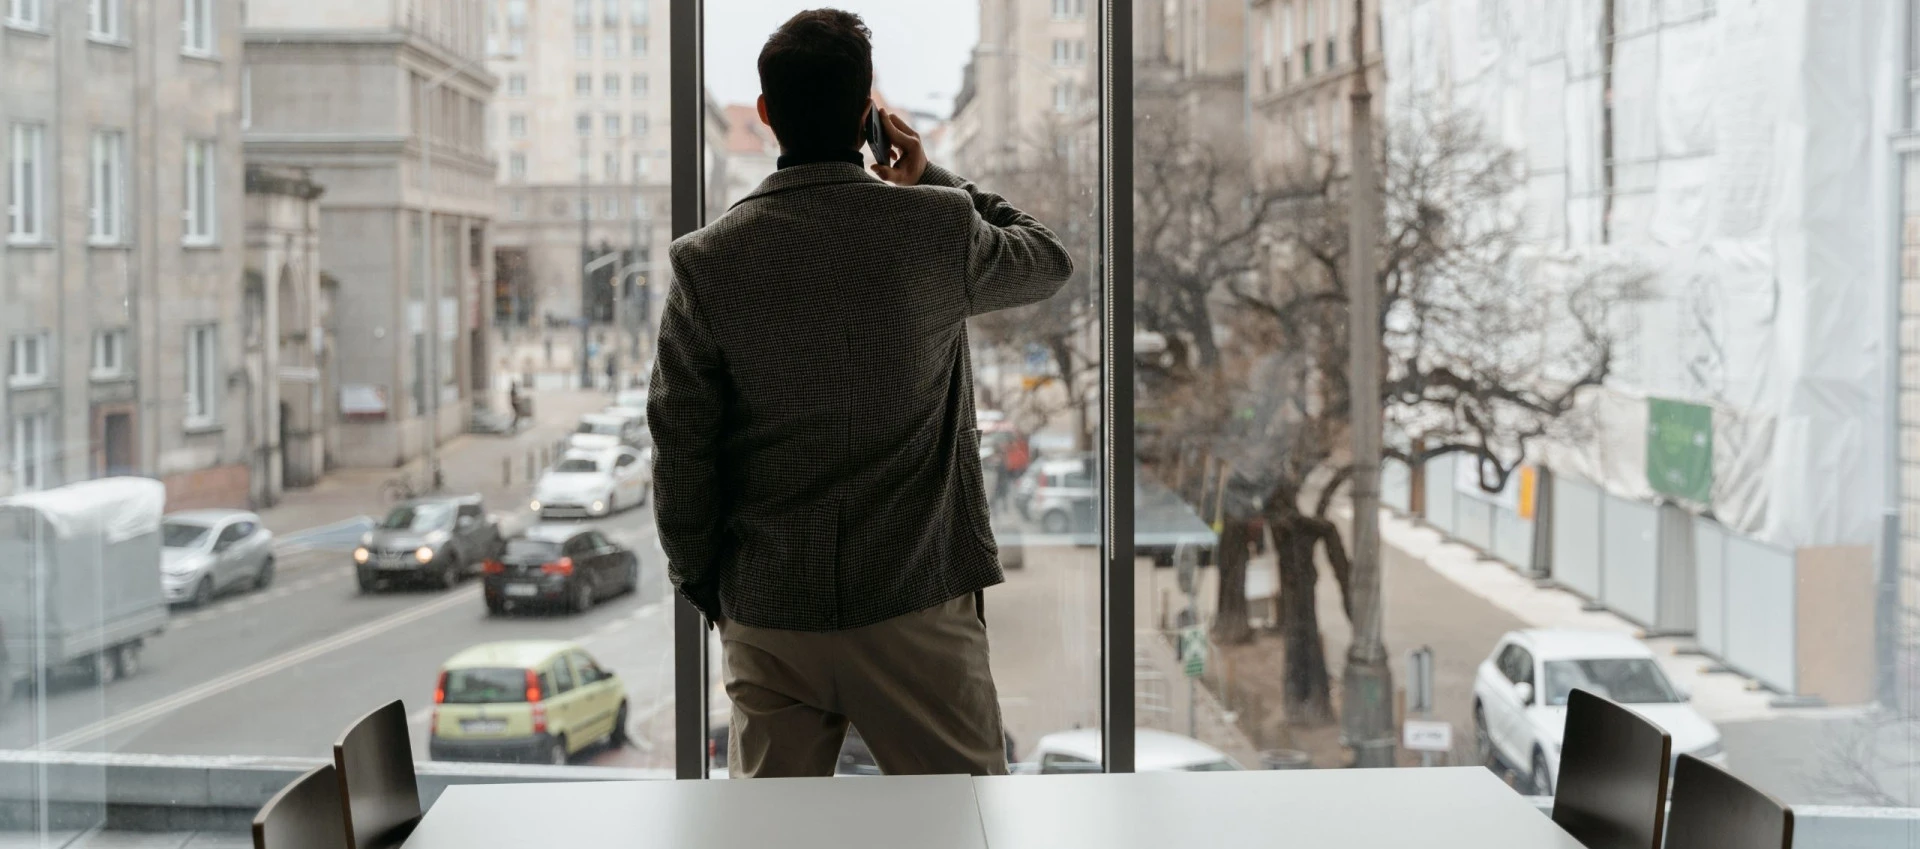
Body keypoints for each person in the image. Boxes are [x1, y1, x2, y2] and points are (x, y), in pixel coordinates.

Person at [648, 9, 1072, 780]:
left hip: (771, 610)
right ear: (867, 117)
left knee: (774, 838)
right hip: (917, 603)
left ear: (768, 113)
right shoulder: (935, 228)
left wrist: (707, 586)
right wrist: (937, 178)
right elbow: (1048, 259)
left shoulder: (707, 263)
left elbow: (679, 445)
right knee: (964, 822)